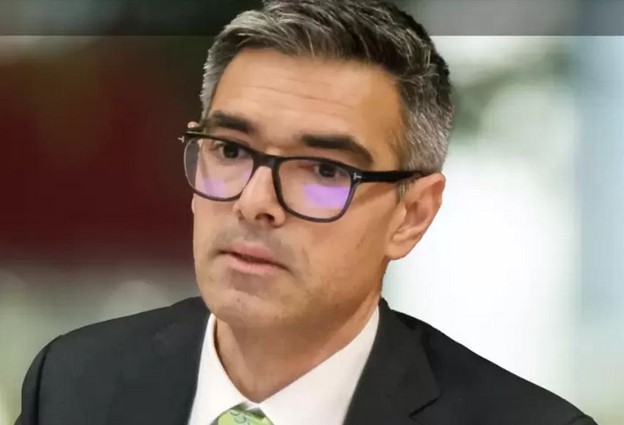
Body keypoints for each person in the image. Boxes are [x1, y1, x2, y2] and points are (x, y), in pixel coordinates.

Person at [15, 1, 598, 424]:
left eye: (323, 170)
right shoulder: (71, 383)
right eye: (231, 151)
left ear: (412, 216)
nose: (254, 203)